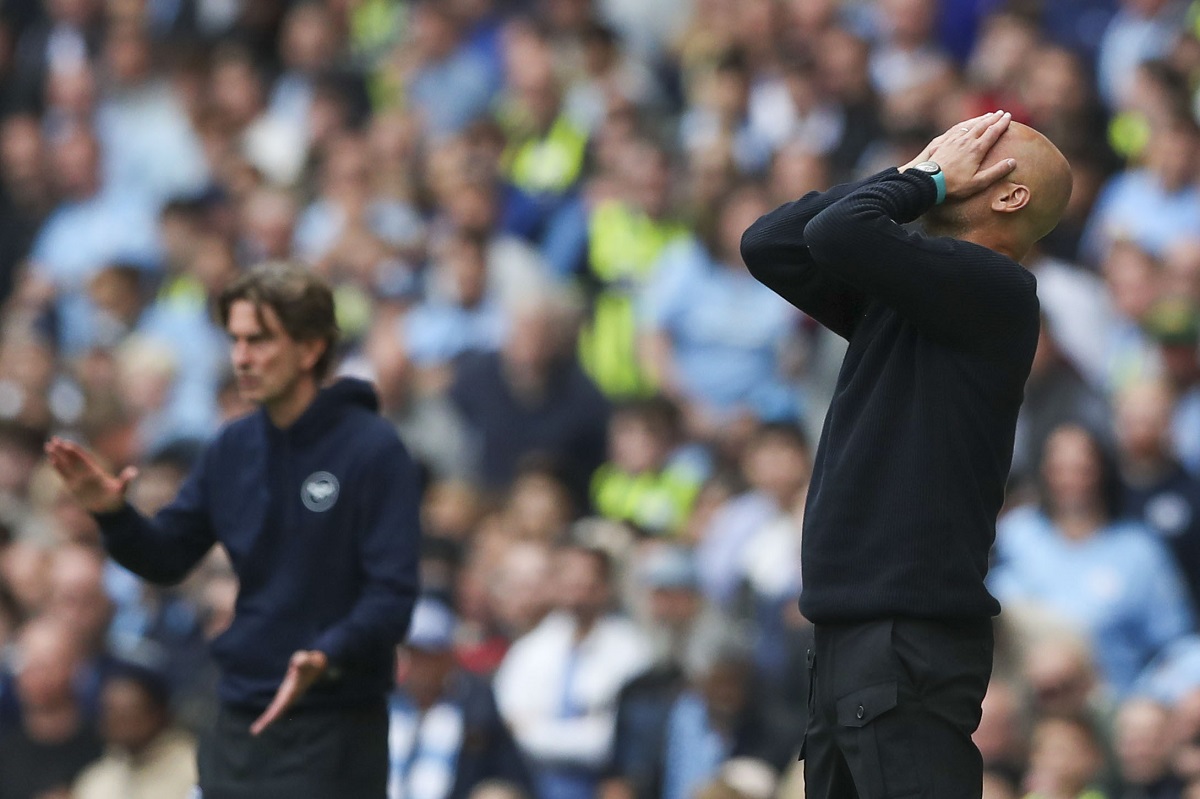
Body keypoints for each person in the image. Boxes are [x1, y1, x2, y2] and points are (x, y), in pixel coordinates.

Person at [740, 111, 1071, 797]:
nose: (947, 150)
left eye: (971, 147)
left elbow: (835, 232)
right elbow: (769, 243)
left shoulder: (996, 289)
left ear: (1010, 195)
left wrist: (921, 181)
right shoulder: (910, 289)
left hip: (907, 640)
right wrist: (911, 175)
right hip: (847, 639)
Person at [45, 261, 423, 798]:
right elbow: (168, 557)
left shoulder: (372, 451)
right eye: (236, 340)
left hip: (334, 723)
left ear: (311, 349)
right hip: (239, 716)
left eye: (260, 340)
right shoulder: (232, 447)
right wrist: (111, 513)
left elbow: (392, 595)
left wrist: (327, 655)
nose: (241, 358)